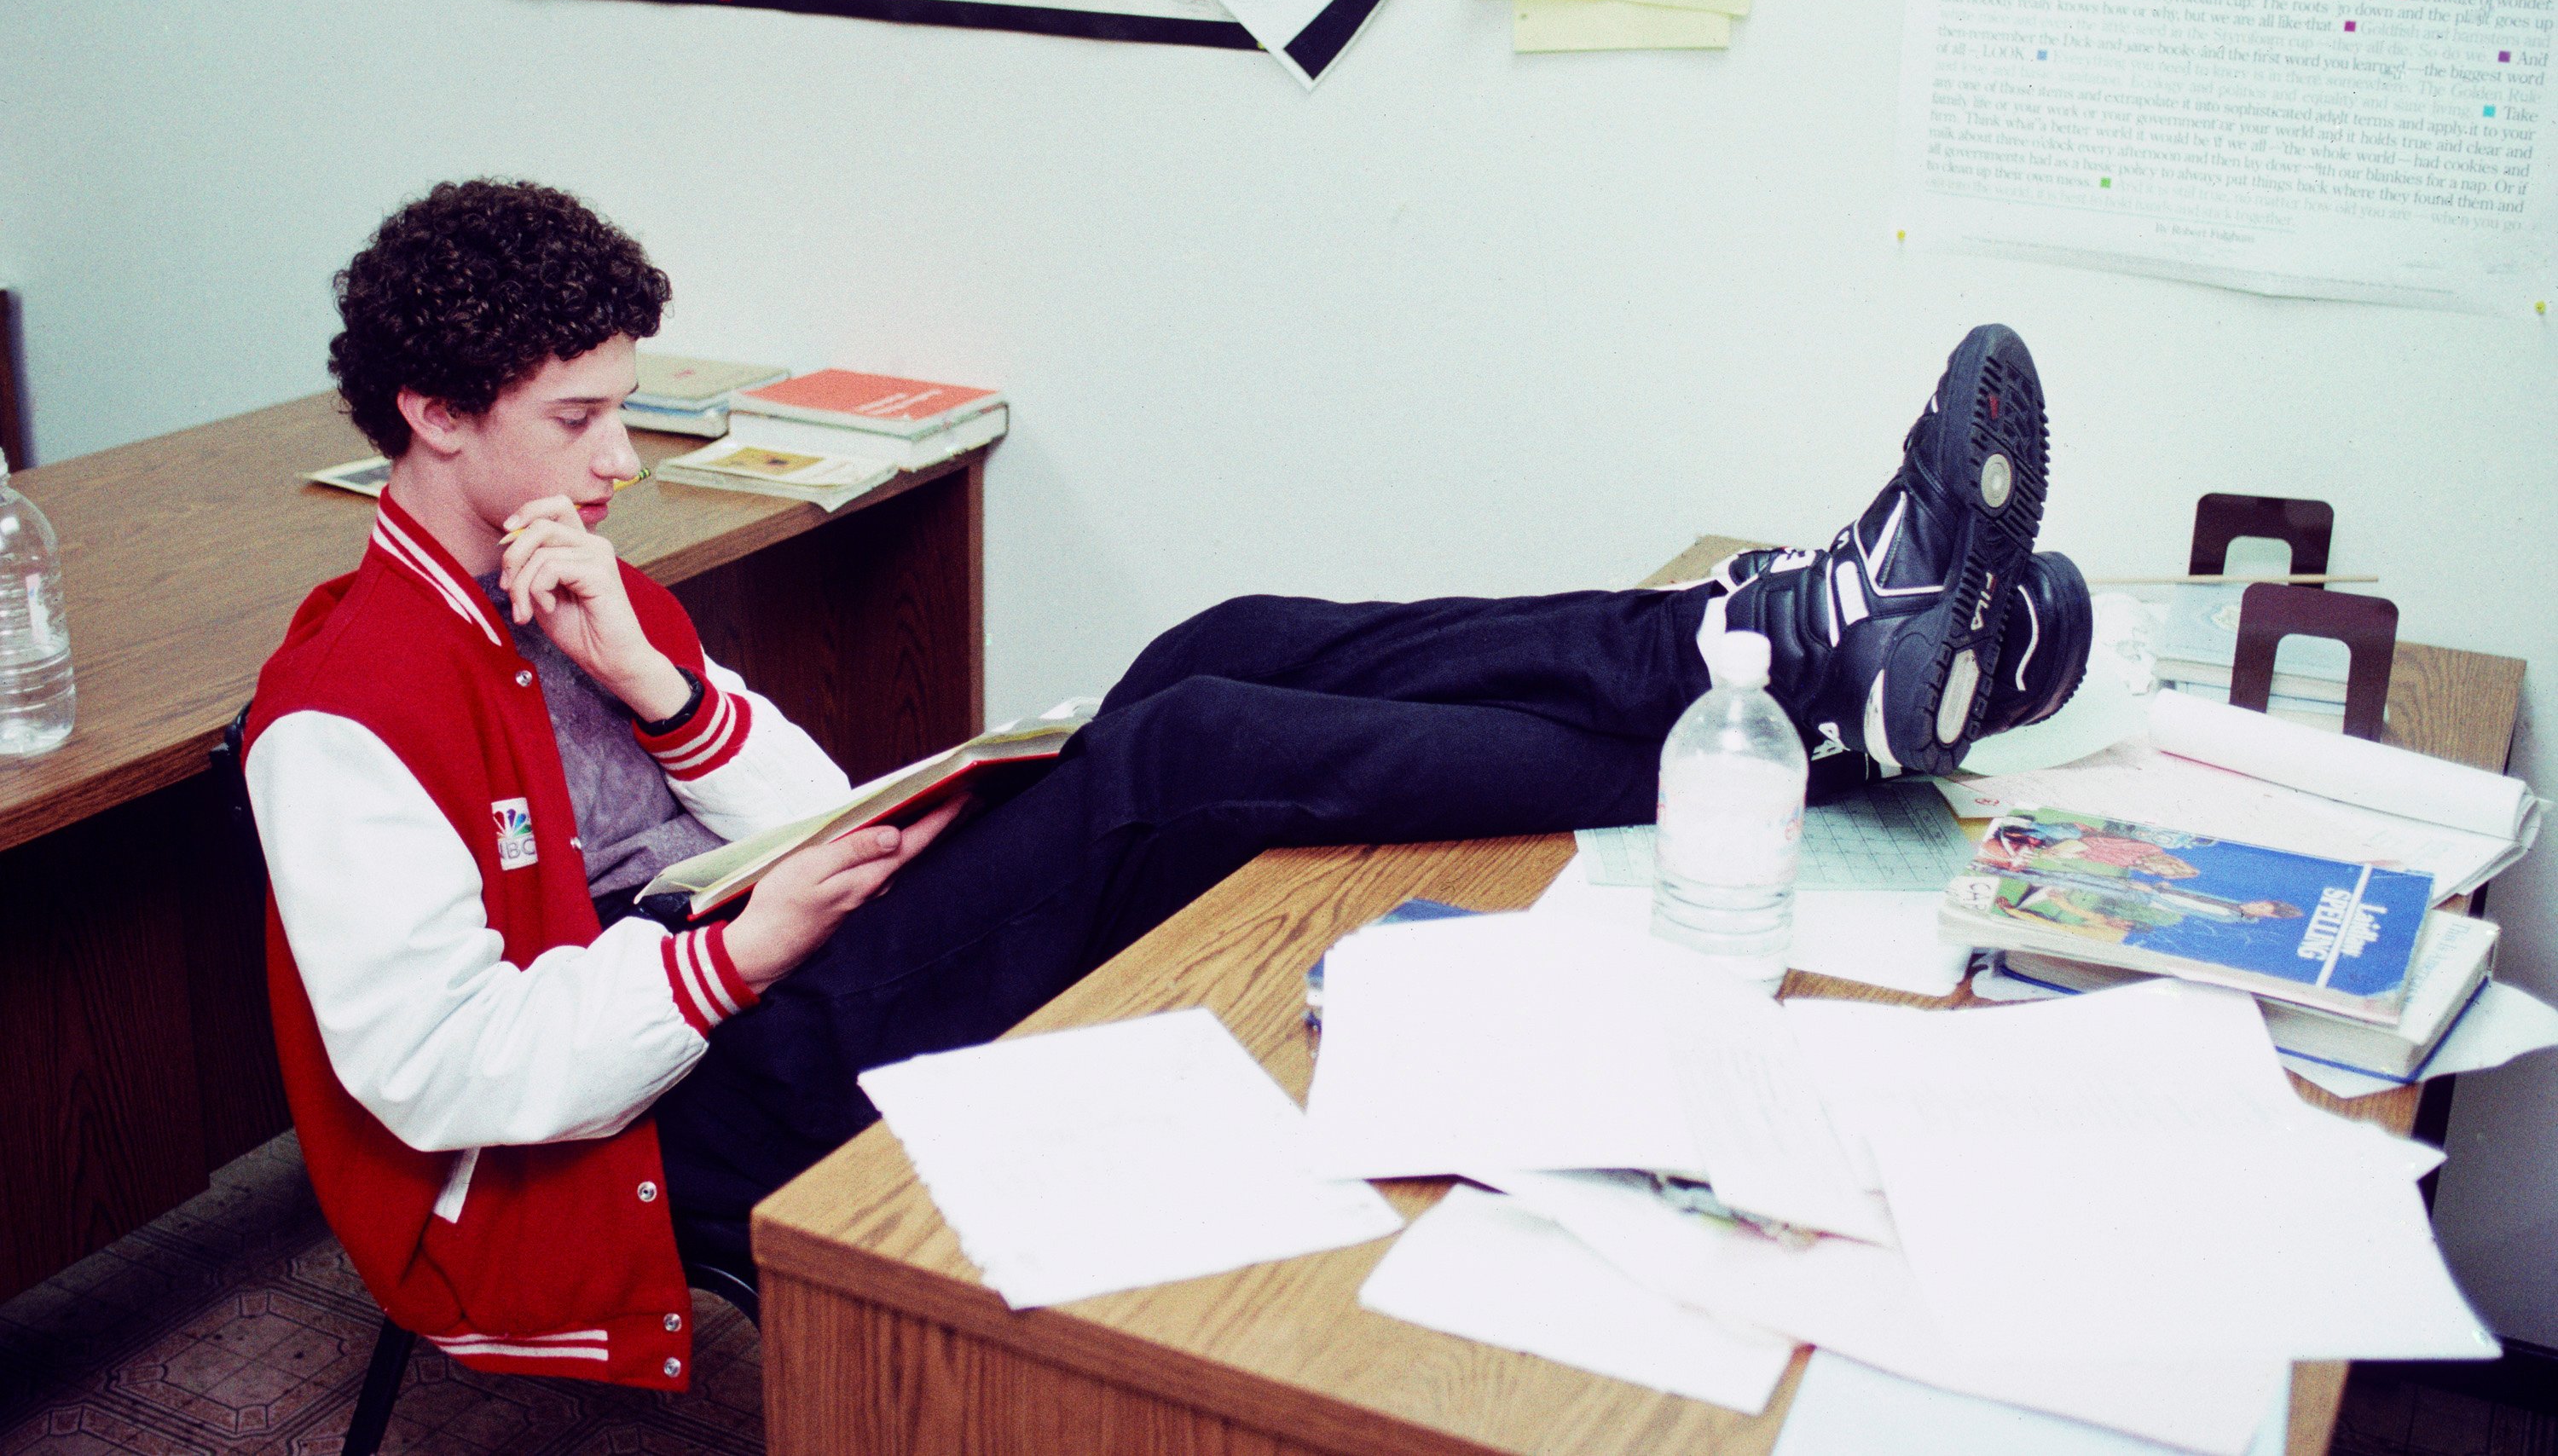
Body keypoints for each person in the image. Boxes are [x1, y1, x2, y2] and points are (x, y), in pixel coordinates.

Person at [244, 179, 2096, 1389]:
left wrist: (654, 686)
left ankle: (1769, 638)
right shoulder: (337, 715)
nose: (622, 457)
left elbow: (811, 799)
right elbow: (438, 1071)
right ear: (431, 414)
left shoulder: (567, 568)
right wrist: (733, 960)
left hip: (739, 962)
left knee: (1226, 635)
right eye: (581, 417)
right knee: (1185, 755)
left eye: (622, 408)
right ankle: (1814, 697)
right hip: (638, 1126)